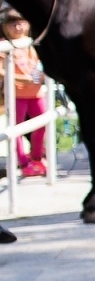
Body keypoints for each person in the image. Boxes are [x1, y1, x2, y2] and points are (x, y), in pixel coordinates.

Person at [3, 10, 49, 179]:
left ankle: (36, 156)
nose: (18, 27)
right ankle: (23, 163)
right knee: (16, 129)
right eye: (13, 23)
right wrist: (22, 78)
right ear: (6, 26)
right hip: (17, 94)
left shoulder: (30, 43)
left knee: (42, 124)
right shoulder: (4, 45)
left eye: (21, 22)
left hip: (35, 92)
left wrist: (39, 77)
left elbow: (38, 65)